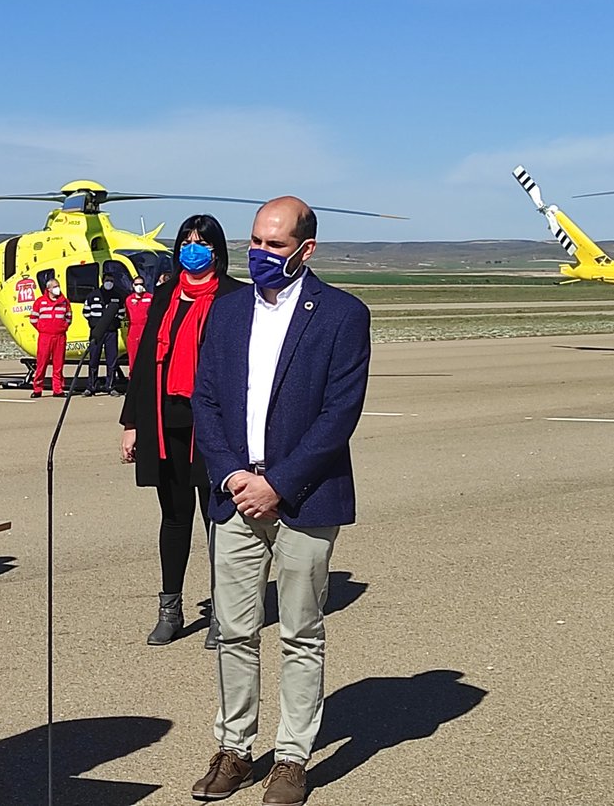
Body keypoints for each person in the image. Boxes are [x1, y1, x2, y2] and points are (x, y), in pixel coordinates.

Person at [189, 197, 370, 805]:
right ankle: (234, 748)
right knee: (234, 629)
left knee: (300, 632)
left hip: (303, 499)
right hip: (236, 495)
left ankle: (292, 758)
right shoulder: (228, 310)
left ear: (305, 249)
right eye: (255, 242)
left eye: (274, 244)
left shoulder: (343, 315)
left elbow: (338, 415)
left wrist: (279, 484)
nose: (260, 254)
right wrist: (232, 474)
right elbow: (207, 400)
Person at [119, 216, 243, 647]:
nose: (194, 249)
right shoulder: (166, 295)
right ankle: (170, 609)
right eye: (187, 241)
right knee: (173, 519)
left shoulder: (234, 297)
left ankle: (223, 614)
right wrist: (131, 423)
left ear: (217, 249)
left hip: (214, 430)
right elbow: (142, 362)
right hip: (164, 421)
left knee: (218, 522)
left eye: (202, 242)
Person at [82, 271, 126, 396]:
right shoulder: (92, 295)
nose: (109, 283)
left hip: (111, 332)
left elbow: (121, 314)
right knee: (93, 359)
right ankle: (91, 386)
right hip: (97, 332)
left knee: (111, 360)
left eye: (111, 281)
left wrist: (112, 322)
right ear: (102, 281)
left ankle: (110, 386)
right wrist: (96, 323)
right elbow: (86, 312)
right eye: (107, 280)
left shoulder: (118, 296)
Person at [29, 276, 71, 398]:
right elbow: (33, 319)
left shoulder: (64, 302)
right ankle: (37, 388)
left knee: (58, 364)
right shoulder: (40, 302)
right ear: (48, 289)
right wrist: (43, 328)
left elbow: (69, 317)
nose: (57, 289)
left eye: (58, 286)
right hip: (45, 337)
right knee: (41, 363)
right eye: (55, 287)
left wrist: (62, 327)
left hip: (60, 336)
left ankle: (57, 389)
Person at [124, 274, 154, 372]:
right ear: (133, 285)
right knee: (133, 356)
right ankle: (132, 377)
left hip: (146, 329)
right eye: (136, 284)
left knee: (147, 356)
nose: (139, 286)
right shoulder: (129, 300)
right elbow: (128, 315)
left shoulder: (150, 298)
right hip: (133, 329)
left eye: (141, 284)